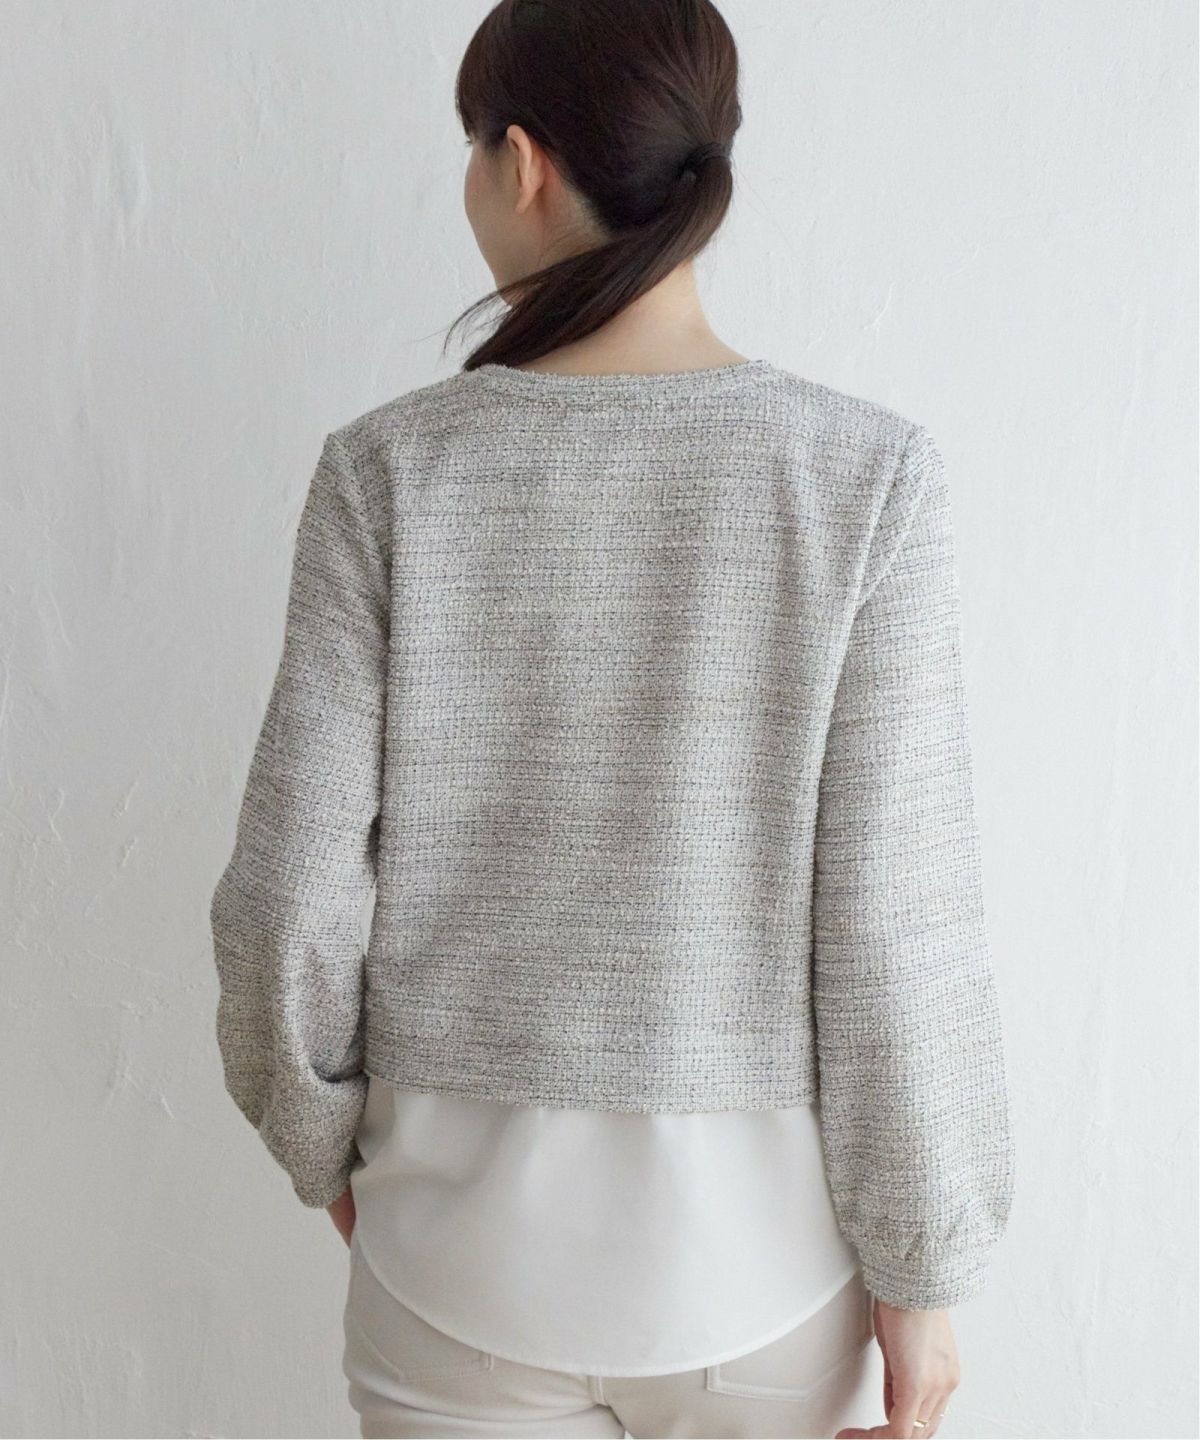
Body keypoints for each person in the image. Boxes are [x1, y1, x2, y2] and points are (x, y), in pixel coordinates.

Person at [207, 1, 1016, 1436]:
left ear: (520, 164)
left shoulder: (388, 475)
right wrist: (924, 1270)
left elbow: (289, 893)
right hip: (767, 1274)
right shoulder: (865, 478)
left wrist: (321, 1142)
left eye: (471, 151)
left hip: (456, 1263)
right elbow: (898, 923)